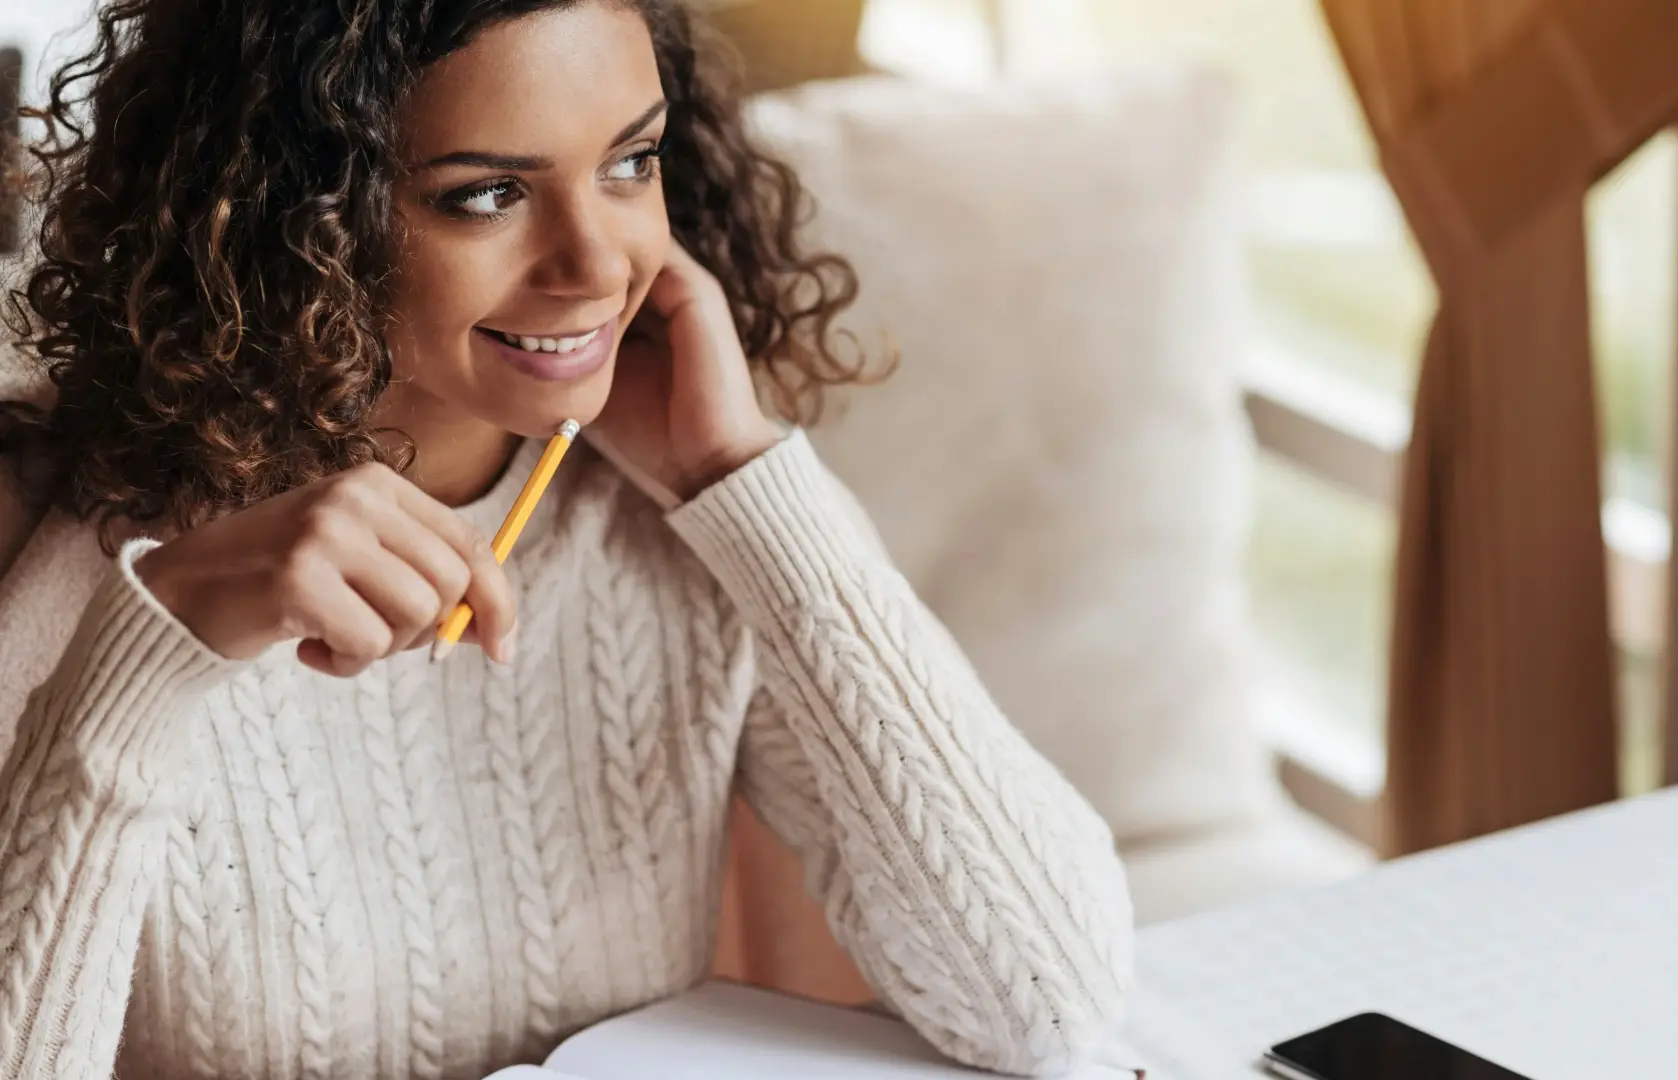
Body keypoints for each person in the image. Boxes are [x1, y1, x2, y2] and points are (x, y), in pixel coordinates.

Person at [0, 1, 1134, 1077]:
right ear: (284, 212)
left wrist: (742, 487)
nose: (597, 266)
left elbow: (1049, 1004)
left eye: (632, 162)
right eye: (487, 193)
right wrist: (158, 653)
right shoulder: (54, 533)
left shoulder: (685, 508)